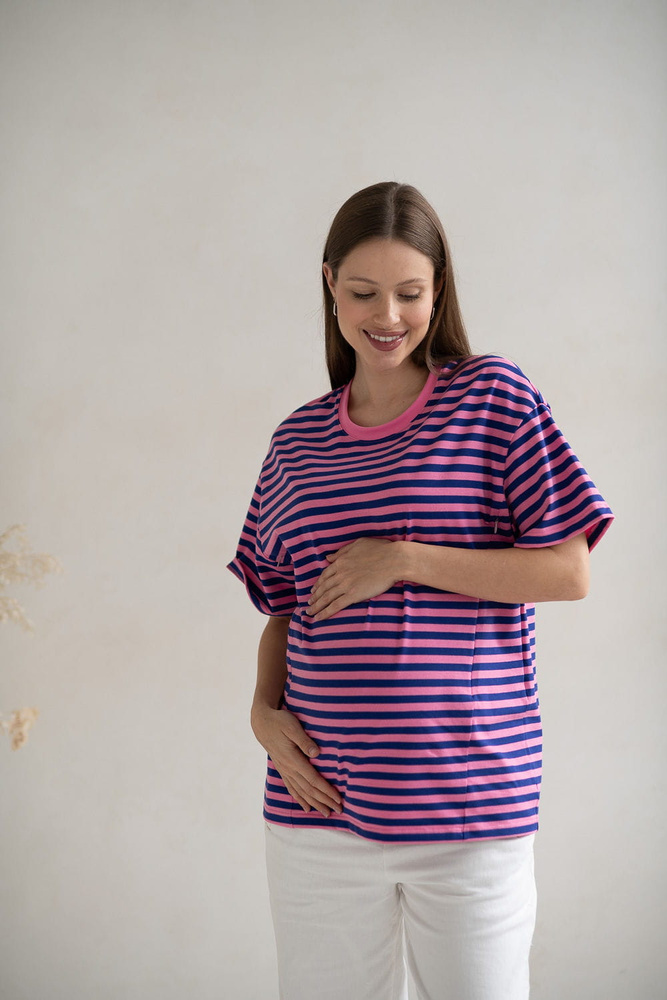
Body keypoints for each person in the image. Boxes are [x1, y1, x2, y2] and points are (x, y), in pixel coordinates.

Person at [227, 181, 614, 1000]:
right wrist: (261, 713)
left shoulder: (492, 398)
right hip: (316, 811)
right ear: (329, 284)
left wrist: (403, 558)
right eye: (363, 292)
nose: (388, 315)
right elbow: (286, 609)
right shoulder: (297, 442)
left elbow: (566, 570)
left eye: (409, 293)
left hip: (467, 808)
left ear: (439, 290)